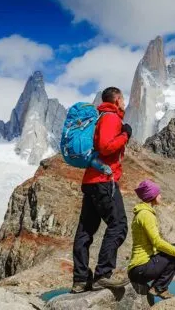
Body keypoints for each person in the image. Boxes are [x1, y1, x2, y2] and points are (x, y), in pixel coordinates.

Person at [71, 87, 133, 293]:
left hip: (91, 181)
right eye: (122, 99)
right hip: (104, 180)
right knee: (118, 225)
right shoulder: (111, 117)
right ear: (116, 100)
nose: (124, 102)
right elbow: (107, 146)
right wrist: (125, 135)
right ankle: (103, 275)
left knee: (86, 231)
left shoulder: (99, 118)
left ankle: (80, 280)